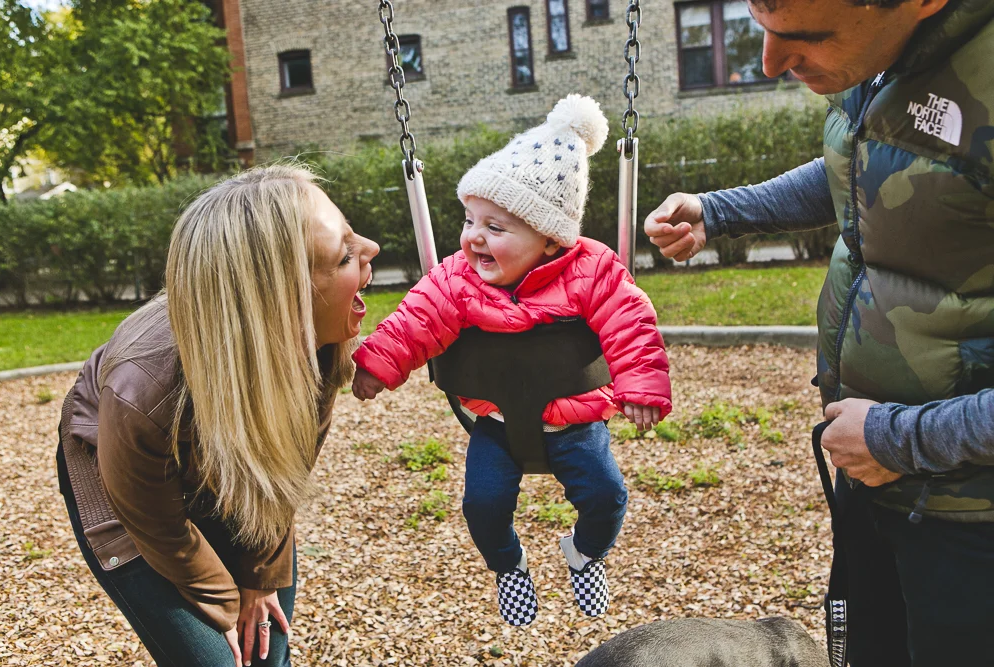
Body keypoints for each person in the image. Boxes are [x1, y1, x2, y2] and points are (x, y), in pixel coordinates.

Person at [645, 0, 994, 664]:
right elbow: (875, 166)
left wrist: (899, 439)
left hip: (970, 519)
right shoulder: (885, 48)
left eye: (807, 37)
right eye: (761, 25)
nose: (770, 63)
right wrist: (719, 212)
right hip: (874, 471)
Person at [351, 95, 672, 626]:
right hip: (495, 424)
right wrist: (378, 363)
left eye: (495, 228)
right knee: (481, 506)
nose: (474, 236)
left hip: (577, 423)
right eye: (471, 219)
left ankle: (584, 553)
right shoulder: (457, 276)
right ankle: (509, 566)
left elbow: (630, 323)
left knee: (608, 497)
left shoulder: (594, 270)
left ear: (549, 241)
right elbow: (416, 318)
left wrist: (641, 384)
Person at [56, 165, 379, 667]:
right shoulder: (140, 390)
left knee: (268, 655)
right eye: (345, 255)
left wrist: (258, 578)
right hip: (125, 476)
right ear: (279, 299)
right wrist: (224, 604)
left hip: (217, 446)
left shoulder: (320, 343)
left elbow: (283, 479)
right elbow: (159, 524)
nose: (373, 249)